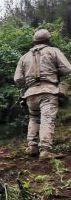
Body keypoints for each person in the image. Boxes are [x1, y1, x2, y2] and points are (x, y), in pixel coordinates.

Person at [14, 29, 71, 159]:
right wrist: (55, 73)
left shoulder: (24, 56)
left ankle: (32, 147)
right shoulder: (53, 51)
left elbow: (17, 78)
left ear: (34, 41)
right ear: (48, 40)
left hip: (30, 94)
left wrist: (29, 80)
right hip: (48, 92)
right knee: (47, 119)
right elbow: (67, 69)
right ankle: (45, 150)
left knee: (34, 118)